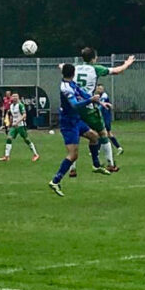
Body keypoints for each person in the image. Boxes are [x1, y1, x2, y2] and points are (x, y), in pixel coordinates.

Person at [71, 47, 135, 173]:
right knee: (103, 133)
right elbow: (117, 71)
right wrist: (127, 63)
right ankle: (110, 164)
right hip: (89, 107)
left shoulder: (75, 68)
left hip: (75, 107)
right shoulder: (95, 69)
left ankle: (72, 169)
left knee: (75, 137)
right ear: (94, 58)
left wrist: (61, 66)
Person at [48, 64, 108, 197]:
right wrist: (90, 100)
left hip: (76, 120)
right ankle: (55, 181)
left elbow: (84, 94)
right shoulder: (66, 88)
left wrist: (99, 102)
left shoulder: (72, 83)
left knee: (94, 137)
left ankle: (96, 165)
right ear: (73, 73)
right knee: (73, 155)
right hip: (68, 123)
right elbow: (74, 104)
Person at [0, 93, 39, 162]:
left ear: (18, 97)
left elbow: (24, 115)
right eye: (13, 96)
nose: (14, 97)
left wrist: (17, 122)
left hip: (21, 125)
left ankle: (36, 154)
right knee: (9, 138)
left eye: (16, 96)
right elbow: (12, 115)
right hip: (14, 126)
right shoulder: (11, 106)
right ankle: (6, 156)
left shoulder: (20, 105)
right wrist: (10, 124)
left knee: (26, 139)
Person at [94, 83, 123, 155]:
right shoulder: (96, 96)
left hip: (105, 118)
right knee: (106, 134)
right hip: (101, 117)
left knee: (102, 133)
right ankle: (119, 148)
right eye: (98, 88)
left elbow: (100, 107)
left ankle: (97, 150)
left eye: (100, 88)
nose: (99, 90)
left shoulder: (104, 96)